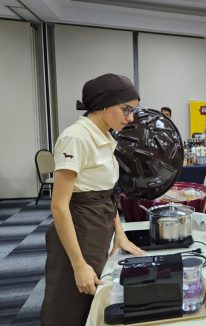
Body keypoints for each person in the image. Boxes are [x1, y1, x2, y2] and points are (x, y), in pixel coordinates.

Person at [41, 74, 145, 325]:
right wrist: (78, 264)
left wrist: (118, 232)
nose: (130, 118)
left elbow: (107, 192)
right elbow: (59, 205)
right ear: (104, 103)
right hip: (78, 229)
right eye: (126, 109)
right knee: (68, 302)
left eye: (133, 110)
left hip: (98, 225)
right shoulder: (76, 137)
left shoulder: (106, 136)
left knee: (92, 299)